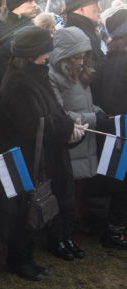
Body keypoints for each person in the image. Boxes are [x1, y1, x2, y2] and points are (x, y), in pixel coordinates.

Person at [0, 26, 84, 281]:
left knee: (30, 207)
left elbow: (52, 113)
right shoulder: (19, 84)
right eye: (45, 52)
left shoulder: (35, 75)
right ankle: (17, 259)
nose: (48, 57)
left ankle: (26, 257)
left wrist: (69, 125)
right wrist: (67, 128)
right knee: (21, 209)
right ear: (34, 53)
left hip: (35, 155)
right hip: (20, 157)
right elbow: (37, 124)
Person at [48, 26, 103, 260]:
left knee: (77, 195)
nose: (81, 61)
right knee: (64, 197)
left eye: (84, 56)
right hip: (68, 143)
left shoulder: (81, 73)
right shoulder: (53, 76)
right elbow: (59, 114)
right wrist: (94, 119)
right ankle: (57, 238)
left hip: (83, 140)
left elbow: (83, 105)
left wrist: (98, 113)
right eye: (77, 57)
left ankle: (69, 236)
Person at [92, 9, 127, 249]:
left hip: (114, 126)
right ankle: (115, 231)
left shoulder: (108, 60)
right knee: (123, 183)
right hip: (121, 127)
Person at [0, 0, 38, 88]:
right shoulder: (2, 34)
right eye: (30, 1)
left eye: (34, 1)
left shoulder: (32, 28)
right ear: (17, 5)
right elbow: (0, 68)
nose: (35, 5)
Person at [64, 0, 107, 72]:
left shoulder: (87, 31)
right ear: (81, 10)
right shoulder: (77, 36)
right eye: (95, 6)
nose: (100, 9)